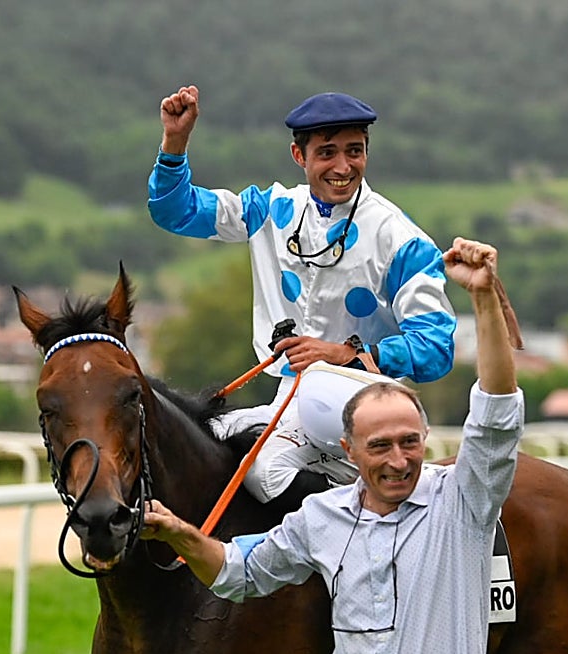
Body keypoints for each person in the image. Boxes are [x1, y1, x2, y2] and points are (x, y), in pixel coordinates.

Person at [140, 236, 523, 654]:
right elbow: (239, 572)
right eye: (380, 446)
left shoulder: (464, 502)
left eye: (410, 442)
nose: (399, 460)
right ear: (348, 452)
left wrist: (482, 303)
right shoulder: (321, 518)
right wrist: (179, 533)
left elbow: (497, 410)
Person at [148, 85, 460, 503]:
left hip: (368, 405)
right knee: (200, 439)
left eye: (355, 151)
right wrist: (175, 142)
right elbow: (174, 209)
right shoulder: (269, 207)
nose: (344, 166)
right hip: (294, 397)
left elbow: (436, 348)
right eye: (328, 152)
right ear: (300, 157)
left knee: (265, 469)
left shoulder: (400, 238)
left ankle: (355, 534)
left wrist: (347, 354)